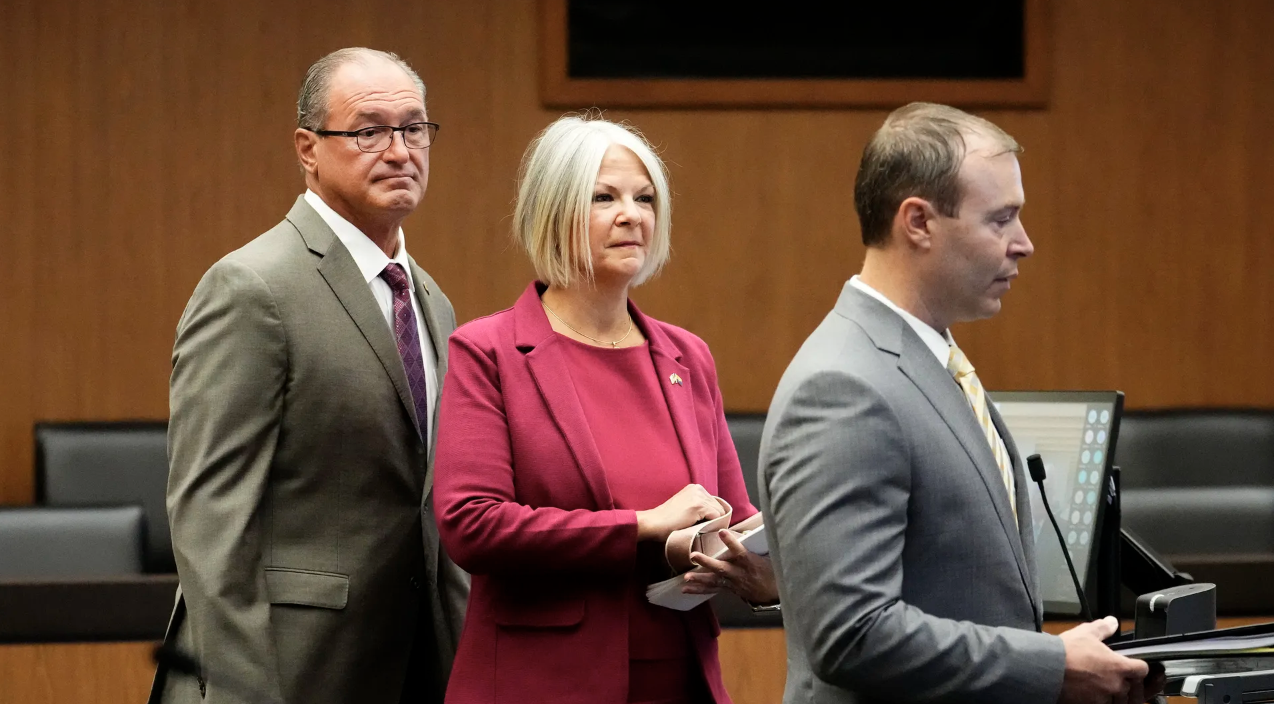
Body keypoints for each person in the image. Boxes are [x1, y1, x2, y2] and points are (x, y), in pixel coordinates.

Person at [758, 103, 1162, 704]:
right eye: (1001, 220)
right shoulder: (844, 387)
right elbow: (850, 634)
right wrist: (1050, 666)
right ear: (918, 222)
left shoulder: (928, 360)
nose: (1024, 244)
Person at [151, 48, 467, 704]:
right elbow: (212, 519)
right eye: (368, 130)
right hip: (289, 672)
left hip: (415, 665)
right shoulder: (252, 286)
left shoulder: (430, 299)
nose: (400, 150)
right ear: (308, 148)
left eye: (415, 128)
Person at [433, 114, 778, 704]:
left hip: (679, 676)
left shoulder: (687, 355)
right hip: (540, 683)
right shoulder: (488, 351)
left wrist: (762, 579)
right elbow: (472, 525)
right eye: (604, 197)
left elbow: (735, 516)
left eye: (645, 198)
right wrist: (642, 525)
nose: (632, 214)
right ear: (553, 211)